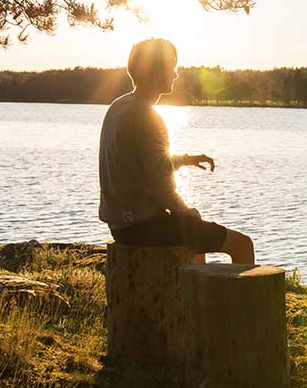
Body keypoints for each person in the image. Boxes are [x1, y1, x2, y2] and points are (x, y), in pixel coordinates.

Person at [99, 38, 254, 264]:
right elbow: (164, 187)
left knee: (194, 235)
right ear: (158, 73)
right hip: (144, 226)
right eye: (172, 67)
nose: (175, 74)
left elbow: (144, 165)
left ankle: (196, 297)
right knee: (242, 244)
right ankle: (240, 300)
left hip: (120, 226)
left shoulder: (119, 106)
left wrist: (185, 160)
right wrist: (189, 213)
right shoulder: (148, 117)